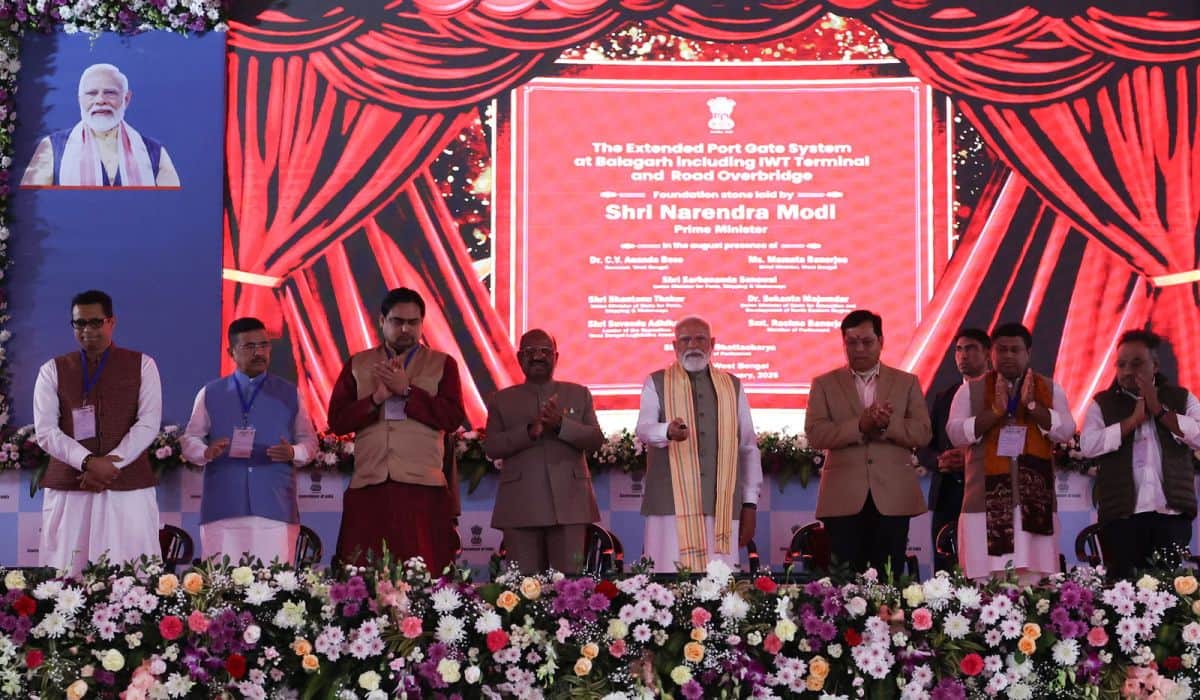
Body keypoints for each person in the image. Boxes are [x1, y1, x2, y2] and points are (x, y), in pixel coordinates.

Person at [327, 287, 465, 571]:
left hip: (422, 487)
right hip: (370, 484)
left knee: (425, 573)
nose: (405, 329)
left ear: (422, 323)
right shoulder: (358, 363)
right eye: (396, 321)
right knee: (364, 574)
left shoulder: (443, 364)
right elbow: (338, 421)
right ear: (382, 321)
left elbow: (452, 418)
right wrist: (376, 399)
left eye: (412, 322)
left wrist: (408, 391)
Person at [32, 290, 162, 576]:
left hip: (128, 485)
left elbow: (148, 422)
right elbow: (46, 431)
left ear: (111, 322)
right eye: (80, 323)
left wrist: (112, 462)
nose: (87, 330)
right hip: (71, 484)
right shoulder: (52, 370)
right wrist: (89, 462)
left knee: (130, 573)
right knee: (68, 572)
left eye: (95, 322)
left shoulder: (143, 364)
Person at [180, 318, 318, 564]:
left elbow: (309, 441)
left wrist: (293, 453)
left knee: (274, 590)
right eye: (249, 347)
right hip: (223, 507)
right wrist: (205, 452)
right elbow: (190, 438)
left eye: (264, 345)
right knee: (223, 591)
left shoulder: (289, 393)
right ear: (231, 352)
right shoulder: (210, 393)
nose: (259, 353)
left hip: (275, 506)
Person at [946, 322, 1075, 583]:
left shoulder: (1049, 388)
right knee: (985, 585)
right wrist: (994, 411)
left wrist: (1032, 405)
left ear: (1028, 353)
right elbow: (956, 433)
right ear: (991, 354)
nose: (1007, 356)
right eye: (1001, 350)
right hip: (984, 505)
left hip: (1034, 505)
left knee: (1034, 583)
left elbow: (1065, 431)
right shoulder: (969, 390)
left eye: (1015, 350)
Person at [807, 309, 931, 574]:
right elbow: (816, 434)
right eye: (851, 342)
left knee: (889, 579)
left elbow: (922, 432)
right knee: (844, 583)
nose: (859, 349)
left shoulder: (906, 382)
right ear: (843, 343)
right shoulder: (824, 384)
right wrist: (860, 426)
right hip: (843, 497)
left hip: (893, 496)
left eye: (866, 341)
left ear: (881, 341)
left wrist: (888, 425)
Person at [635, 316, 762, 573]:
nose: (693, 345)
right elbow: (644, 429)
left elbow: (747, 447)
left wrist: (749, 504)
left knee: (720, 587)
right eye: (685, 339)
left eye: (700, 338)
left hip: (722, 505)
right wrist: (666, 431)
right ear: (675, 345)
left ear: (712, 343)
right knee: (669, 581)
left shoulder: (733, 386)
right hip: (669, 507)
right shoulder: (655, 382)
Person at [1079, 330, 1200, 579]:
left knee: (1169, 590)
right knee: (1124, 594)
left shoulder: (1181, 397)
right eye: (1121, 365)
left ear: (1154, 365)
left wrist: (1159, 410)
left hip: (1171, 515)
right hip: (1121, 517)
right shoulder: (1102, 403)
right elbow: (1088, 445)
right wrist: (1131, 421)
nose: (1126, 371)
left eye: (1136, 363)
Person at [484, 329, 603, 573]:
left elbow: (595, 440)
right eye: (530, 352)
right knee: (524, 589)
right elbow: (492, 446)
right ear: (519, 358)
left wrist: (560, 425)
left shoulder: (578, 393)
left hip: (570, 503)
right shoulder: (501, 399)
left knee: (571, 589)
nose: (538, 356)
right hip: (520, 504)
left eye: (545, 351)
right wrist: (530, 431)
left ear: (556, 357)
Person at [21, 63, 180, 188]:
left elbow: (172, 203)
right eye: (91, 93)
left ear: (126, 99)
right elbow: (34, 201)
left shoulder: (154, 151)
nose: (100, 100)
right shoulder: (52, 147)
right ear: (79, 100)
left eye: (110, 93)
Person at [926, 328, 991, 571]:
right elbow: (925, 445)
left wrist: (969, 458)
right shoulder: (944, 396)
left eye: (971, 348)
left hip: (988, 493)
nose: (963, 355)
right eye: (959, 349)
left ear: (987, 353)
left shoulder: (1000, 393)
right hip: (947, 494)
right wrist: (939, 460)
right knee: (944, 569)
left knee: (986, 568)